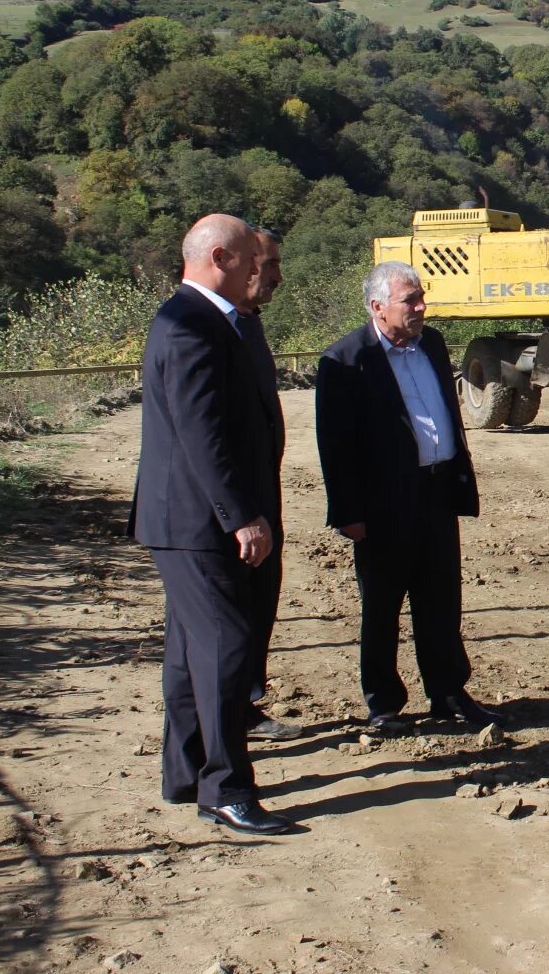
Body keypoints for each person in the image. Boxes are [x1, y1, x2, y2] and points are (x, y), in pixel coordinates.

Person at [129, 214, 300, 836]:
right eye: (253, 259)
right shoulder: (188, 325)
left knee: (188, 652)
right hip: (198, 523)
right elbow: (203, 436)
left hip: (193, 520)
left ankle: (185, 772)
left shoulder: (217, 321)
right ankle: (225, 788)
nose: (261, 270)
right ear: (221, 258)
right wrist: (241, 515)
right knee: (227, 647)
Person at [315, 261, 504, 732]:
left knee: (441, 598)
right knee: (382, 604)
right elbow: (334, 445)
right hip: (382, 503)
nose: (421, 307)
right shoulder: (345, 360)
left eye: (422, 297)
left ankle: (448, 693)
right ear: (377, 307)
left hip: (437, 490)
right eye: (410, 300)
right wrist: (347, 512)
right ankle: (383, 702)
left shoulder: (433, 345)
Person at [237, 228, 302, 743]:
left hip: (260, 497)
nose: (279, 275)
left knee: (259, 607)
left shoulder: (248, 325)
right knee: (229, 620)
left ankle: (245, 703)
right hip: (231, 512)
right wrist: (237, 512)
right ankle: (224, 722)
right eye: (271, 264)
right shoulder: (206, 329)